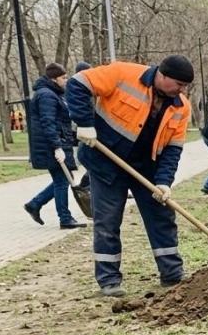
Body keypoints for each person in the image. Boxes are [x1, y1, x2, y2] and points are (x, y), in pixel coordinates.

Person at [66, 55, 195, 297]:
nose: (182, 90)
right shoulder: (123, 74)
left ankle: (172, 273)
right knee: (108, 221)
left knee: (162, 216)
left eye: (185, 86)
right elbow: (78, 83)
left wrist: (164, 182)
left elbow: (172, 149)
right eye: (179, 84)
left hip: (147, 167)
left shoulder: (181, 106)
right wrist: (84, 124)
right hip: (106, 162)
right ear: (162, 75)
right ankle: (109, 280)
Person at [23, 62, 86, 229]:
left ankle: (35, 204)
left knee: (63, 179)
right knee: (62, 180)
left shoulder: (53, 94)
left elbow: (60, 123)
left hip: (56, 142)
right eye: (63, 78)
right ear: (53, 79)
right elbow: (48, 123)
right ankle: (64, 218)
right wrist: (57, 147)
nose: (66, 80)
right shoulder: (46, 96)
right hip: (51, 146)